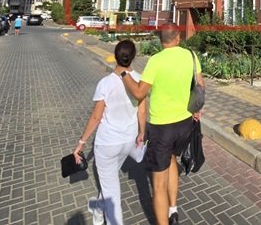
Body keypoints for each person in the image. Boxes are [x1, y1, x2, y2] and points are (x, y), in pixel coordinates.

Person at [119, 22, 204, 225]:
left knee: (158, 185)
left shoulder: (155, 61)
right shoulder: (190, 55)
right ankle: (173, 209)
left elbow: (139, 92)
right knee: (172, 159)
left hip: (162, 127)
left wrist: (124, 74)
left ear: (160, 40)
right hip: (185, 124)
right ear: (178, 37)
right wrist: (196, 109)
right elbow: (200, 86)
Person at [73, 40, 147, 225]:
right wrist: (141, 133)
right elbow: (142, 111)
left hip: (107, 144)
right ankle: (98, 210)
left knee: (111, 192)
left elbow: (96, 117)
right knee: (109, 183)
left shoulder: (105, 83)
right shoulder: (140, 80)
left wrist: (81, 143)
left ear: (115, 56)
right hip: (128, 142)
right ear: (133, 57)